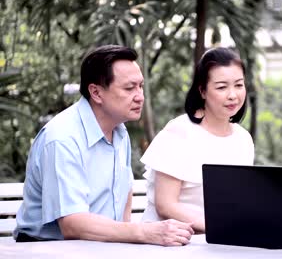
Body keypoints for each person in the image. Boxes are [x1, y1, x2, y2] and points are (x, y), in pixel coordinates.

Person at [14, 45, 194, 245]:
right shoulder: (62, 139)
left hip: (101, 247)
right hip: (47, 249)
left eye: (141, 86)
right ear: (96, 93)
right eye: (129, 88)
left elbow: (124, 194)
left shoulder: (119, 130)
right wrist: (143, 233)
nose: (140, 96)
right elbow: (73, 224)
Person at [140, 47, 255, 233]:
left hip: (218, 242)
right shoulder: (179, 131)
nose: (233, 95)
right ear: (202, 90)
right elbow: (165, 206)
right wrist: (219, 227)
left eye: (239, 85)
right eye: (221, 87)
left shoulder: (243, 139)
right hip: (170, 241)